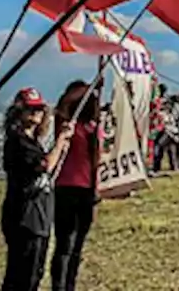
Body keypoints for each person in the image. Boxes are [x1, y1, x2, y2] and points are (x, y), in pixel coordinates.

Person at [1, 87, 74, 291]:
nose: (36, 113)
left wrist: (61, 150)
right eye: (30, 109)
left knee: (34, 273)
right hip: (24, 218)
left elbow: (48, 175)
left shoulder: (33, 142)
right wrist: (60, 142)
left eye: (39, 109)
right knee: (22, 276)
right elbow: (45, 165)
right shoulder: (18, 142)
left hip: (39, 215)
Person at [51, 82, 101, 291]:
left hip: (87, 189)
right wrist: (90, 86)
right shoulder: (65, 124)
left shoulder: (94, 128)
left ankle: (69, 285)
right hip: (66, 187)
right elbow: (63, 105)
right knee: (65, 245)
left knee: (77, 247)